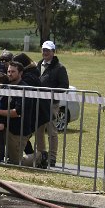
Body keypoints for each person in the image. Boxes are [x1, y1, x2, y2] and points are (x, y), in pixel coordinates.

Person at [0, 69, 36, 165]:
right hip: (3, 126)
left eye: (13, 72)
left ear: (20, 73)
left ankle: (40, 156)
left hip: (18, 129)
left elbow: (17, 112)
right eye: (8, 71)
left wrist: (0, 115)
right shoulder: (2, 90)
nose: (10, 74)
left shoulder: (24, 89)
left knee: (15, 162)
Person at [37, 40, 69, 168]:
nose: (45, 52)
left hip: (52, 104)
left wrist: (50, 94)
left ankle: (52, 158)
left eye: (48, 50)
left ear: (53, 52)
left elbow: (64, 86)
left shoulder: (60, 68)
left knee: (52, 131)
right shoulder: (39, 64)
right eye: (44, 50)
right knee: (39, 130)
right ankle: (41, 156)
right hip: (39, 102)